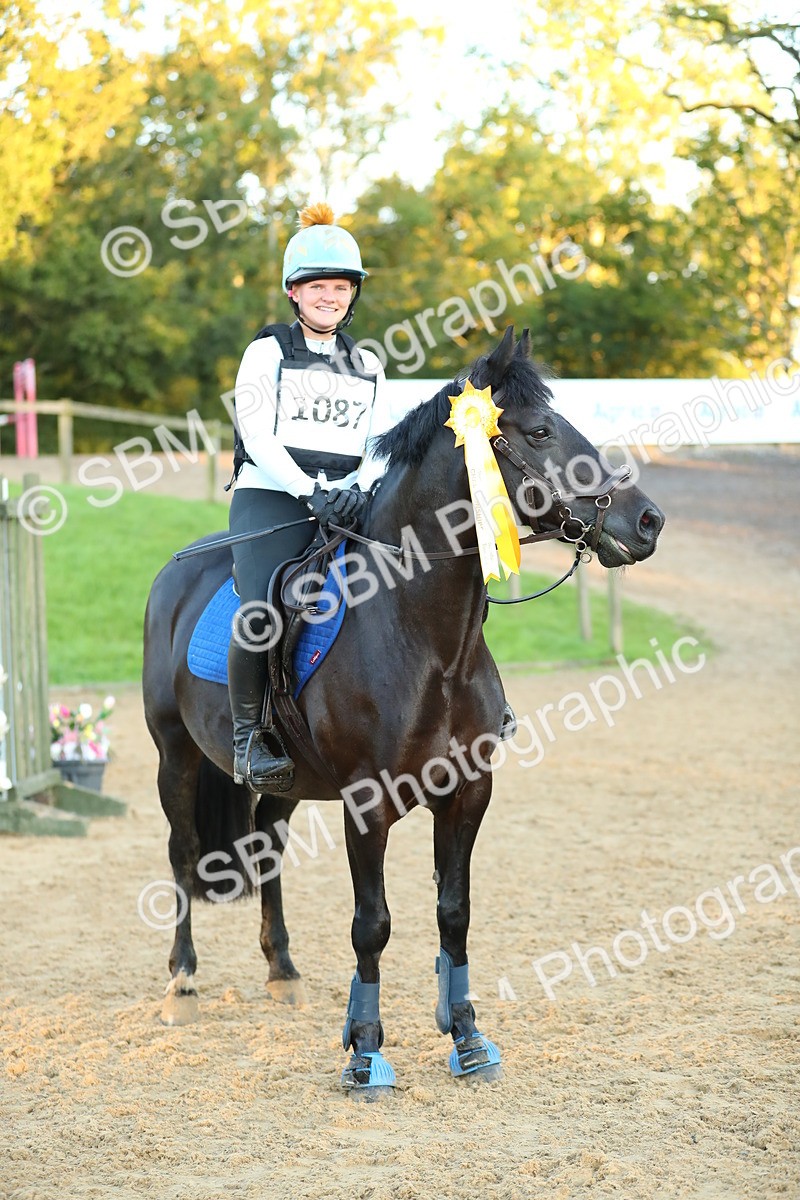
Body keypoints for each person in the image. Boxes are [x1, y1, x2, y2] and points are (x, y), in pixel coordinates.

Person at [226, 202, 393, 791]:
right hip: (272, 498)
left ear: (352, 296)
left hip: (346, 503)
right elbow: (257, 436)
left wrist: (356, 491)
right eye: (317, 286)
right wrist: (310, 491)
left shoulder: (368, 364)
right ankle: (248, 738)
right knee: (263, 607)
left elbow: (377, 442)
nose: (330, 296)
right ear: (294, 292)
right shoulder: (267, 352)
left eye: (340, 287)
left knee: (420, 574)